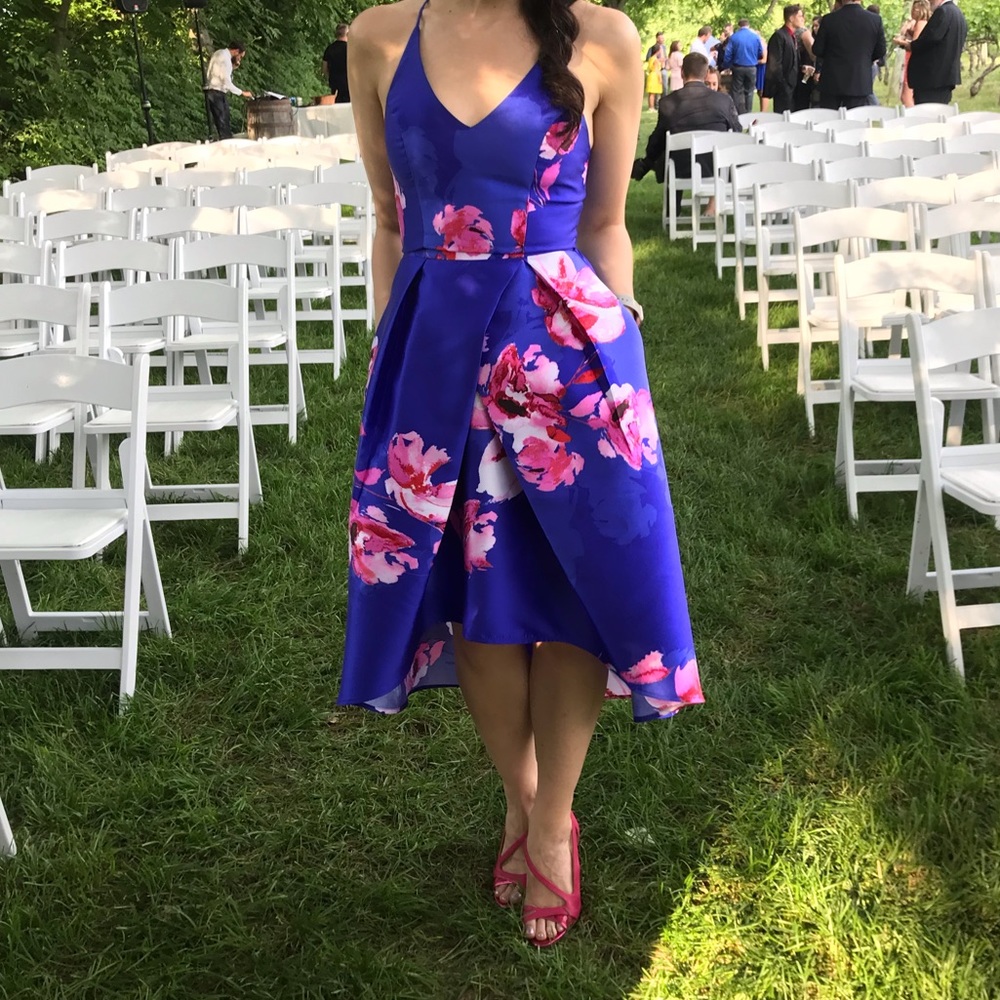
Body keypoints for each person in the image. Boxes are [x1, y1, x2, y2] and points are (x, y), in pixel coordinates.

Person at [340, 0, 703, 951]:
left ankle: (552, 821)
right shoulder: (379, 37)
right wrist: (392, 342)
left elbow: (609, 225)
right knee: (472, 596)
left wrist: (618, 341)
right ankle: (524, 797)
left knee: (576, 593)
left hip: (569, 362)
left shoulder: (602, 36)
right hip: (433, 354)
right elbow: (388, 217)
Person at [632, 51, 740, 216]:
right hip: (717, 166)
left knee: (664, 150)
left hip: (681, 168)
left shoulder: (668, 102)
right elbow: (736, 131)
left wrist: (649, 158)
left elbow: (658, 140)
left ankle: (671, 209)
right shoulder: (723, 100)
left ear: (682, 73)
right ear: (705, 75)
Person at [811, 0, 886, 109]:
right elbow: (880, 50)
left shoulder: (829, 19)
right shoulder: (875, 20)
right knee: (854, 122)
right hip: (859, 80)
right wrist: (864, 60)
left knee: (829, 121)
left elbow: (817, 50)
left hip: (832, 81)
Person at [897, 0, 967, 106]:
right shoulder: (958, 13)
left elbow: (928, 41)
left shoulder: (942, 12)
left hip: (931, 79)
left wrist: (907, 44)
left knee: (927, 115)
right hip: (945, 77)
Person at [204, 40, 251, 140]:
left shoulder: (219, 53)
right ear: (236, 51)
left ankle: (226, 140)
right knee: (223, 124)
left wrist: (233, 67)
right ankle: (225, 145)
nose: (239, 59)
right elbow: (226, 81)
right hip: (217, 92)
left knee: (224, 121)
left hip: (215, 91)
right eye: (240, 56)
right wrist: (242, 92)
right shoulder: (225, 59)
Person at [721, 18, 765, 116]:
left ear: (739, 26)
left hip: (738, 67)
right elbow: (760, 52)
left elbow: (728, 54)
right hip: (752, 67)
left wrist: (727, 65)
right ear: (748, 25)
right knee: (749, 91)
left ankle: (737, 112)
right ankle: (748, 113)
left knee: (736, 91)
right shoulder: (755, 37)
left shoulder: (734, 37)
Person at [764, 5, 803, 115]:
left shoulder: (791, 36)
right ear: (791, 18)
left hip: (793, 89)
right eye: (799, 16)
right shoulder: (779, 36)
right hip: (784, 90)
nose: (802, 19)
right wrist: (784, 86)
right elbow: (775, 65)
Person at [895, 0, 931, 106]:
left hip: (912, 59)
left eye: (914, 9)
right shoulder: (919, 23)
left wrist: (900, 41)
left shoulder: (921, 23)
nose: (912, 12)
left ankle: (912, 115)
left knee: (906, 95)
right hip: (911, 58)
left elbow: (915, 44)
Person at [793, 16, 821, 111]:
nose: (814, 28)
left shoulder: (822, 40)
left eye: (817, 26)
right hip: (806, 73)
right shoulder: (809, 36)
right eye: (813, 26)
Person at [322, 23, 351, 103]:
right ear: (348, 34)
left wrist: (330, 77)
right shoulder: (350, 49)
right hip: (349, 85)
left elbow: (324, 68)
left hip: (335, 85)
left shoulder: (329, 49)